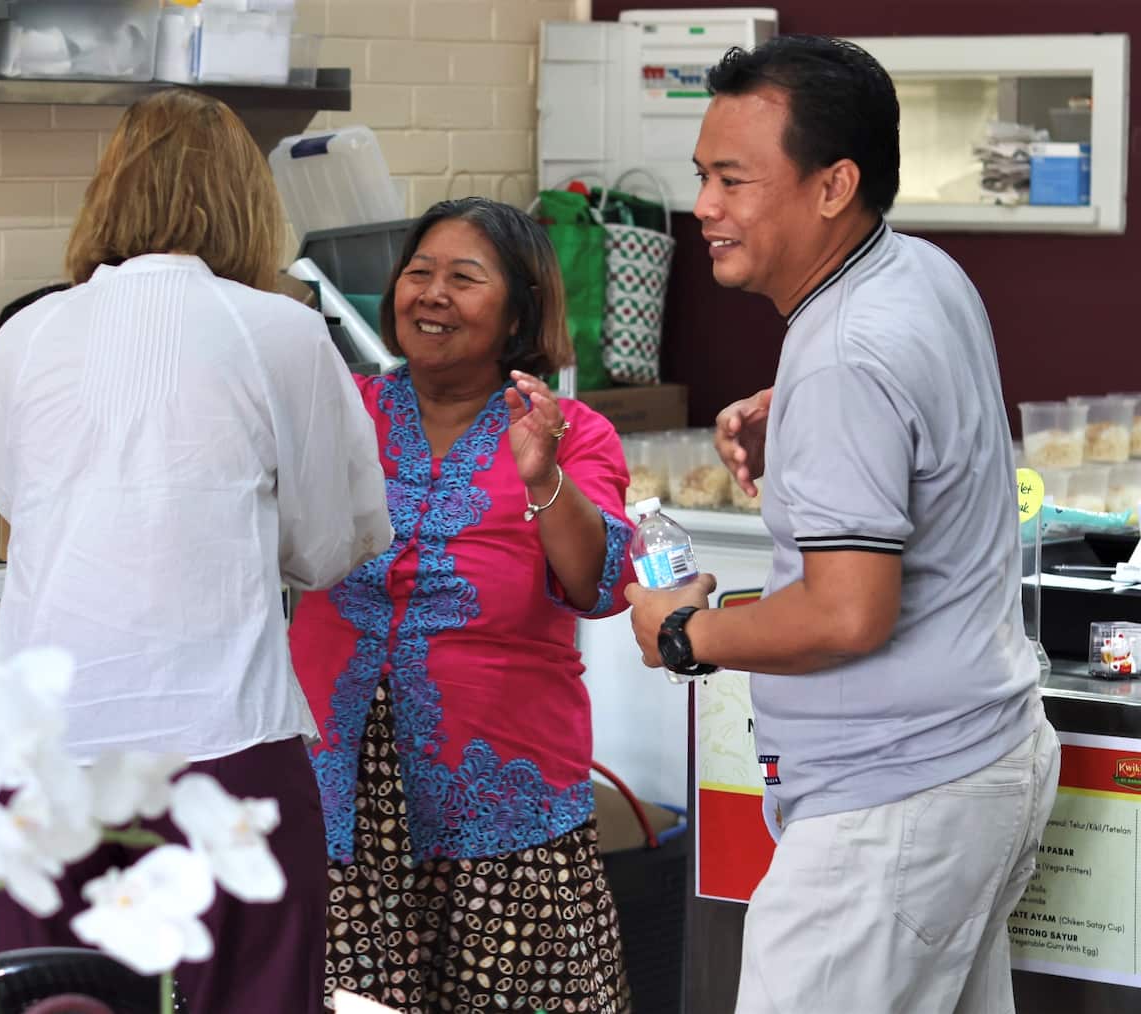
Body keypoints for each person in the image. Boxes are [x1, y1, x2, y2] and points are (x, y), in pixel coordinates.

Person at [626, 35, 1061, 1014]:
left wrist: (681, 633)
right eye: (702, 176)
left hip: (890, 811)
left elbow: (842, 615)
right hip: (976, 762)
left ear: (832, 186)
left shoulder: (843, 356)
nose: (702, 208)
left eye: (732, 180)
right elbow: (901, 388)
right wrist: (800, 401)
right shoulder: (915, 273)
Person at [0, 88, 391, 1014]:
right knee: (250, 995)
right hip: (221, 737)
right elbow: (333, 544)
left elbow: (15, 500)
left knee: (59, 1002)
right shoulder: (281, 331)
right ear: (250, 202)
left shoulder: (25, 332)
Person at [289, 196, 636, 1013]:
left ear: (519, 311)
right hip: (339, 801)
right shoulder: (343, 411)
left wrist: (542, 476)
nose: (432, 294)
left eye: (463, 278)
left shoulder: (573, 431)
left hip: (503, 805)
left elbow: (596, 585)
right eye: (418, 273)